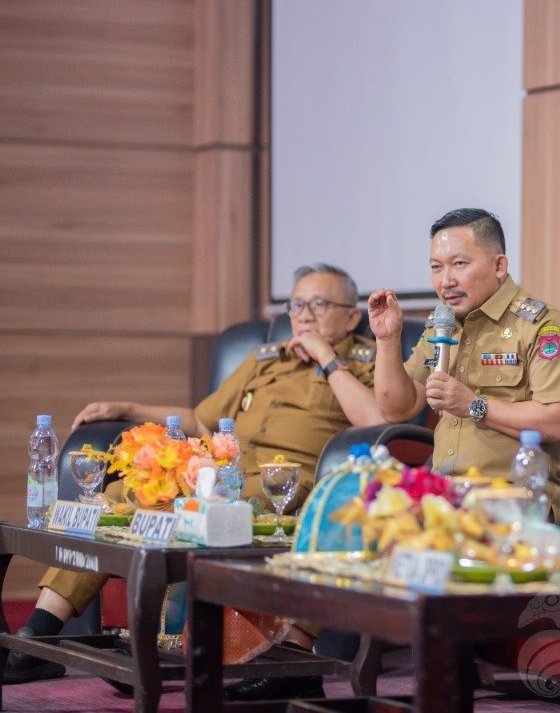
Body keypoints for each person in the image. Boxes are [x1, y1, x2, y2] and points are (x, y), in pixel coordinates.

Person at [3, 263, 382, 701]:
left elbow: (375, 420)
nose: (304, 315)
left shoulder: (364, 362)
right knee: (119, 496)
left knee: (178, 509)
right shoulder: (267, 359)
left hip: (282, 485)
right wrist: (125, 407)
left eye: (318, 304)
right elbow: (202, 420)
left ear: (351, 317)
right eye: (296, 305)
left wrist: (326, 357)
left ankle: (159, 652)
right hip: (221, 473)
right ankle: (41, 632)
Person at [369, 208, 560, 494]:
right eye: (436, 267)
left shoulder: (542, 327)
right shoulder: (443, 324)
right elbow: (397, 408)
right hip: (445, 496)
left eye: (459, 264)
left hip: (515, 500)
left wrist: (474, 405)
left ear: (499, 266)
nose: (445, 281)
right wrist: (387, 340)